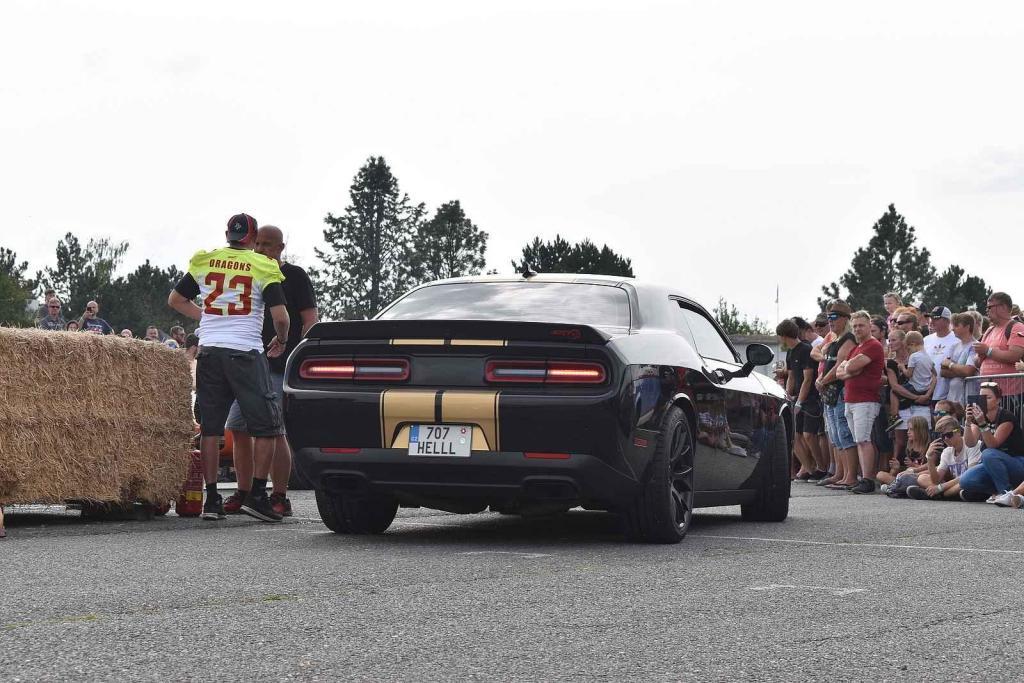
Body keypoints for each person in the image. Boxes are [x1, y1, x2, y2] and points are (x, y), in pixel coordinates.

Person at [167, 212, 290, 523]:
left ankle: (211, 499)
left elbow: (176, 300)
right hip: (245, 351)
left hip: (209, 351)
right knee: (266, 427)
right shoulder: (263, 264)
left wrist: (208, 318)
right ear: (251, 238)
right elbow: (281, 317)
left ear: (227, 234)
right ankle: (259, 495)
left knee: (211, 428)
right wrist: (282, 340)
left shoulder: (205, 260)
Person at [223, 225, 319, 518]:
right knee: (237, 426)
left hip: (280, 366)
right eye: (258, 244)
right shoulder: (250, 273)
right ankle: (244, 491)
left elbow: (310, 319)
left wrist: (297, 357)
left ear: (280, 248)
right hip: (250, 362)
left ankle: (279, 496)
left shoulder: (296, 276)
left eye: (267, 245)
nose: (261, 250)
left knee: (275, 431)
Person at [837, 310, 885, 493]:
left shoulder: (872, 345)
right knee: (859, 440)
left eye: (861, 325)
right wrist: (851, 370)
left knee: (864, 439)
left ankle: (867, 479)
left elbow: (850, 366)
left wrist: (850, 368)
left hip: (865, 399)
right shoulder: (856, 348)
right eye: (855, 326)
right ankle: (863, 477)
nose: (857, 329)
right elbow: (841, 372)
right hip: (851, 399)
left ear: (869, 326)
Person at [957, 382, 1024, 502]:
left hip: (1017, 462)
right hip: (993, 464)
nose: (984, 401)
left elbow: (993, 444)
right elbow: (970, 443)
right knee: (965, 481)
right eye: (982, 398)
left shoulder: (1006, 417)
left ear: (998, 400)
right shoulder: (979, 417)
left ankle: (1006, 494)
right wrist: (968, 422)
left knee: (988, 453)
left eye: (988, 397)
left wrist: (982, 423)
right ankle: (997, 492)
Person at [815, 300, 858, 490]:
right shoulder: (833, 339)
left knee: (844, 434)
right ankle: (840, 473)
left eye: (834, 317)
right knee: (834, 435)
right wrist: (821, 379)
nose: (830, 321)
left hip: (840, 390)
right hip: (829, 392)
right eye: (828, 317)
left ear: (844, 318)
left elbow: (840, 365)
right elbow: (825, 363)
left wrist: (823, 381)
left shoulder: (848, 338)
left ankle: (850, 476)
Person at [777, 319, 826, 481]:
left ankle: (821, 467)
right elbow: (791, 376)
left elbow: (807, 378)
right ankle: (810, 470)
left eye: (780, 337)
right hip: (796, 398)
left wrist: (800, 401)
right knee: (795, 436)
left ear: (784, 336)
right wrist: (787, 395)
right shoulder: (790, 352)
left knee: (808, 435)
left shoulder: (805, 349)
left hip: (810, 398)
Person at [905, 416, 982, 501]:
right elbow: (936, 480)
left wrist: (941, 488)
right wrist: (929, 458)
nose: (945, 439)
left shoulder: (972, 445)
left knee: (965, 482)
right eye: (942, 436)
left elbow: (970, 474)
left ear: (959, 432)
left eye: (949, 435)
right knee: (922, 478)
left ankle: (939, 495)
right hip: (956, 485)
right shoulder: (947, 452)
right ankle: (948, 495)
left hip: (973, 480)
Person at [973, 292, 1024, 411]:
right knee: (985, 428)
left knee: (1007, 427)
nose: (987, 310)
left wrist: (987, 350)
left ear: (1003, 307)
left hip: (1008, 393)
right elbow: (977, 362)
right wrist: (980, 355)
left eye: (990, 307)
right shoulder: (989, 330)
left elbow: (1014, 355)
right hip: (985, 392)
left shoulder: (1017, 327)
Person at [886, 331, 935, 430]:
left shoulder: (914, 357)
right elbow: (894, 385)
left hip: (919, 401)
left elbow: (910, 374)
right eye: (889, 340)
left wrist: (926, 395)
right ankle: (895, 416)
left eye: (894, 340)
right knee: (901, 441)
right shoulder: (891, 362)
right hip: (906, 402)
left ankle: (894, 417)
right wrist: (918, 397)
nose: (890, 343)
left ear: (904, 342)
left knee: (920, 435)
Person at [941, 312, 978, 406]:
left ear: (967, 327)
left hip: (968, 397)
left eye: (957, 325)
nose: (953, 328)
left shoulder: (975, 346)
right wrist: (960, 370)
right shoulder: (954, 347)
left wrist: (950, 365)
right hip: (952, 398)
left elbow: (968, 371)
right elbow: (943, 372)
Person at [923, 306, 956, 403]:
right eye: (931, 318)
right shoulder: (926, 340)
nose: (932, 321)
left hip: (947, 394)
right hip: (926, 392)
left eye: (936, 318)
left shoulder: (957, 339)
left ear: (947, 320)